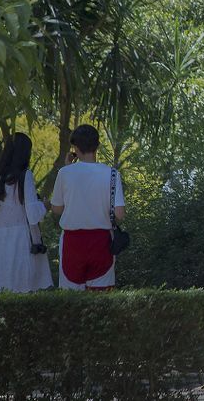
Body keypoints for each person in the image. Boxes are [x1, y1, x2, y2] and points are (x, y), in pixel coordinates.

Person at [49, 124, 125, 290]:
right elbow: (119, 214)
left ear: (75, 148)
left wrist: (69, 168)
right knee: (101, 299)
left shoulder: (65, 173)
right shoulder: (112, 174)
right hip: (101, 242)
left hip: (72, 243)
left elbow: (56, 209)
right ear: (97, 146)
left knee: (71, 302)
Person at [0, 132, 53, 292]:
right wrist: (45, 205)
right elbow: (33, 215)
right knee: (23, 290)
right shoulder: (24, 176)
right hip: (20, 241)